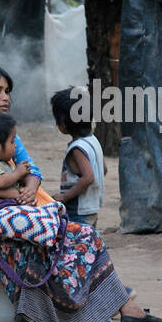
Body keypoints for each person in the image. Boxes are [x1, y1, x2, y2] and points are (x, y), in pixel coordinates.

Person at [0, 61, 160, 322]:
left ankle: (124, 308)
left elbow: (33, 171)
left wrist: (28, 190)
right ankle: (27, 319)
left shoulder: (4, 130)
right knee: (30, 240)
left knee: (86, 235)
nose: (6, 98)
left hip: (19, 213)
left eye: (8, 91)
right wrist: (14, 194)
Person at [0, 111, 56, 209]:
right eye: (12, 142)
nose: (15, 145)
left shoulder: (1, 160)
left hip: (11, 207)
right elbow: (0, 182)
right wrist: (18, 173)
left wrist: (23, 179)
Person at [50, 87, 105, 227]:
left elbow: (88, 177)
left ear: (62, 125)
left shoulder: (77, 149)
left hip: (78, 211)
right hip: (91, 208)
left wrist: (65, 196)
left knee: (78, 245)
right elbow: (103, 169)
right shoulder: (93, 140)